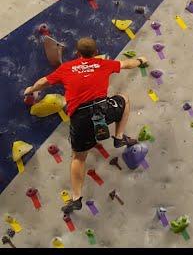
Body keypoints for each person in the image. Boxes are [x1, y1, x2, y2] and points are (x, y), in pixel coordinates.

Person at [23, 37, 147, 214]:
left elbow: (43, 82)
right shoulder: (102, 64)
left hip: (80, 118)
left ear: (77, 53)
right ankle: (118, 137)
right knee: (124, 99)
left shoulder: (66, 68)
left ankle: (76, 198)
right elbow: (127, 64)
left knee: (78, 158)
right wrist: (141, 60)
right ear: (96, 53)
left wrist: (30, 90)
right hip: (102, 111)